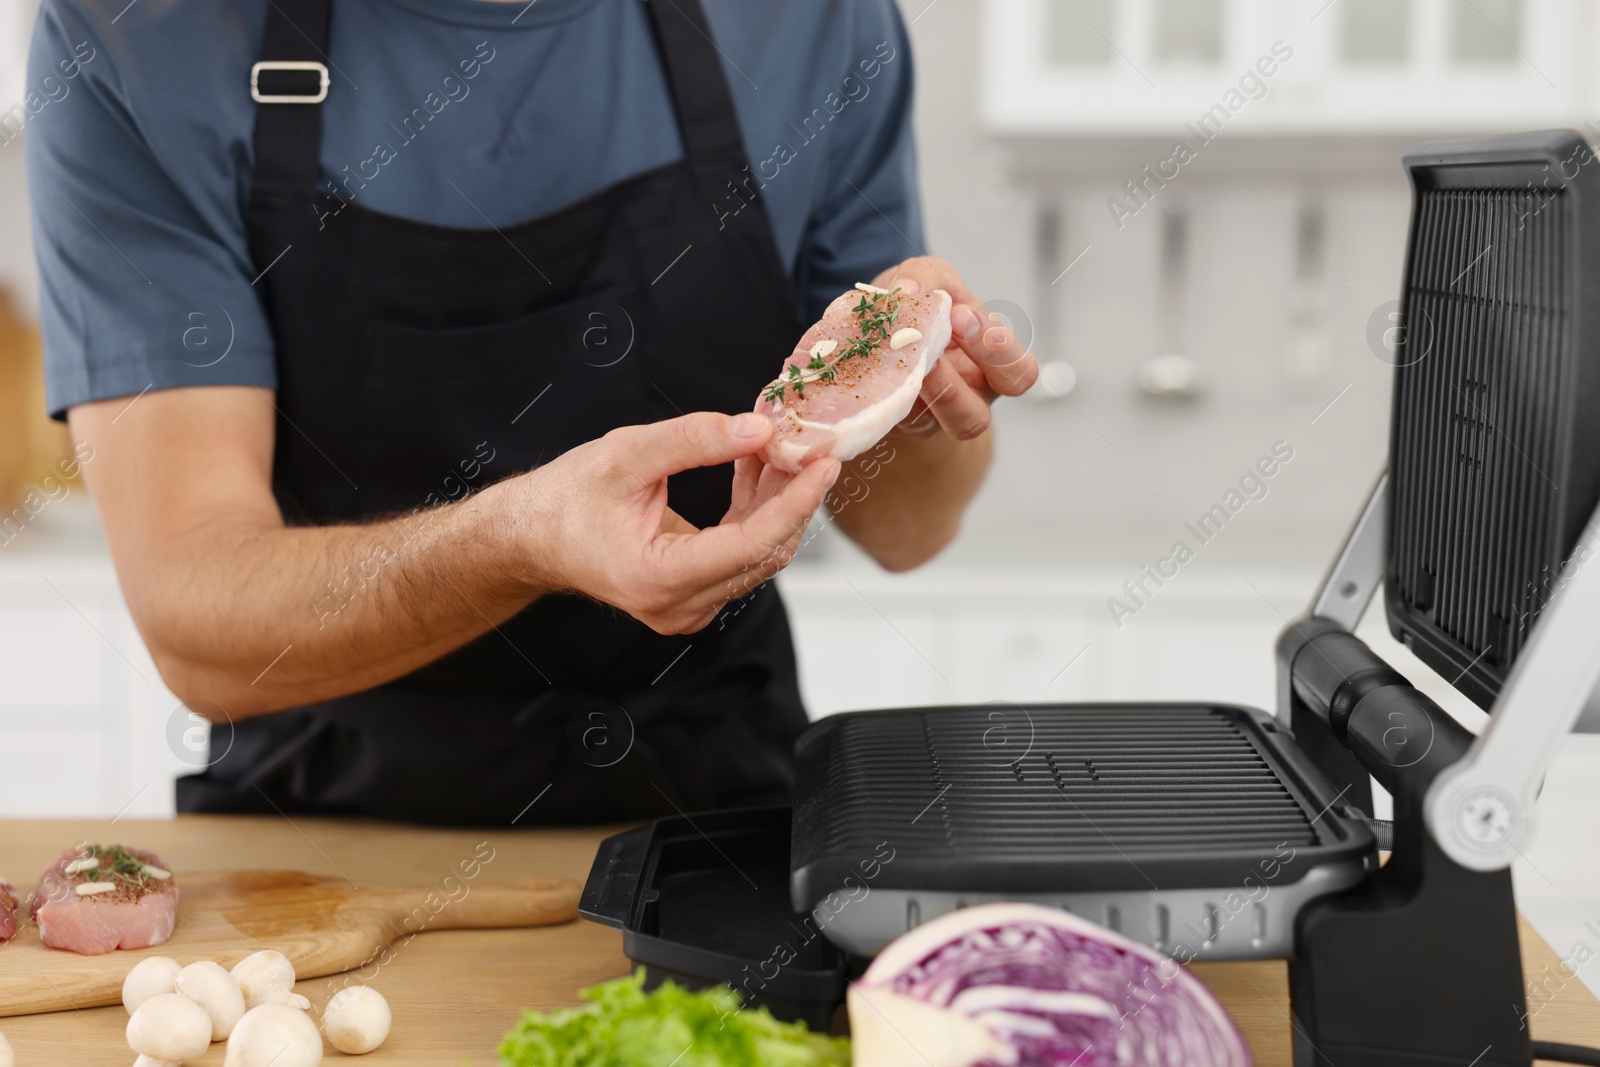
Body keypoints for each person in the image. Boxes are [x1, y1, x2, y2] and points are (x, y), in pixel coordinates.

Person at [27, 0, 1037, 824]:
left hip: (718, 835)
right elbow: (194, 624)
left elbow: (907, 529)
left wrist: (904, 396)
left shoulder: (809, 20)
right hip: (314, 846)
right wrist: (517, 539)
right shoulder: (135, 34)